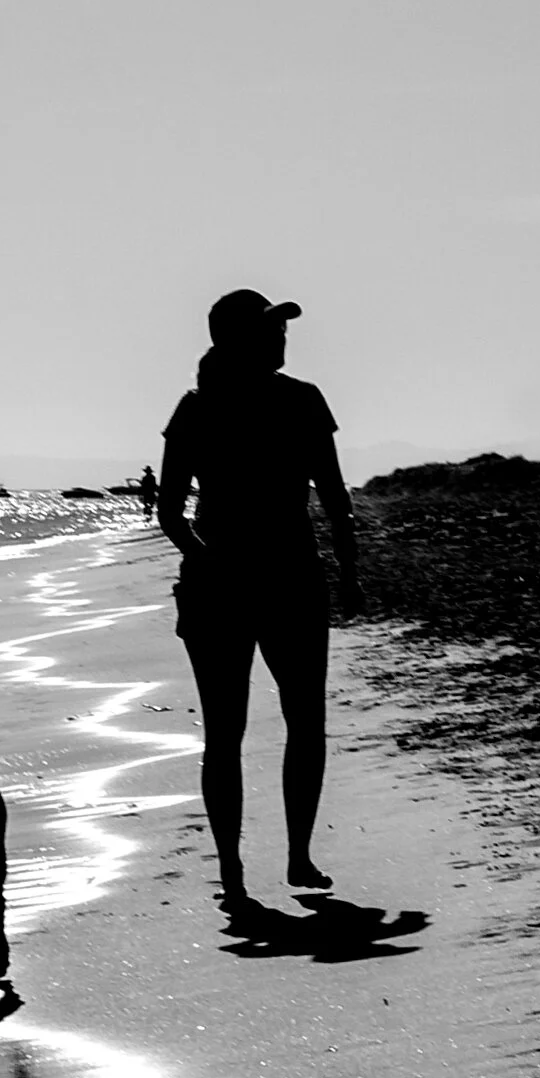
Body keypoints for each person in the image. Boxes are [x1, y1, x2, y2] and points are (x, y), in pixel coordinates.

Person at [156, 289, 359, 907]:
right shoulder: (301, 400)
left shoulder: (196, 407)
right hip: (290, 578)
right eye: (272, 329)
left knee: (226, 733)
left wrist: (202, 557)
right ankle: (295, 857)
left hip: (222, 584)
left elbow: (170, 513)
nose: (282, 337)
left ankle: (236, 869)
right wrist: (349, 573)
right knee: (302, 722)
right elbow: (334, 497)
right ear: (239, 339)